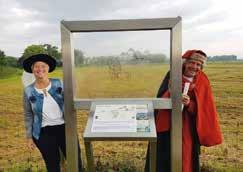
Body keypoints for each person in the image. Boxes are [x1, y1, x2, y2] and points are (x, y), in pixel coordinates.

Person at [145, 50, 222, 172]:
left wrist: (189, 104)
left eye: (199, 65)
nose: (195, 67)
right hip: (168, 126)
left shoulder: (203, 80)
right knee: (164, 158)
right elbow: (160, 98)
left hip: (189, 127)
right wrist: (174, 95)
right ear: (185, 63)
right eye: (192, 63)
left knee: (186, 158)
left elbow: (205, 108)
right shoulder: (173, 75)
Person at [22, 54, 83, 172]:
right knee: (53, 167)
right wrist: (29, 137)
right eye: (36, 67)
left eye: (43, 66)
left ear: (48, 68)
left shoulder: (59, 83)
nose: (40, 69)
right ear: (32, 69)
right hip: (43, 133)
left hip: (65, 129)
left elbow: (72, 98)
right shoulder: (28, 91)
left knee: (76, 163)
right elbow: (28, 114)